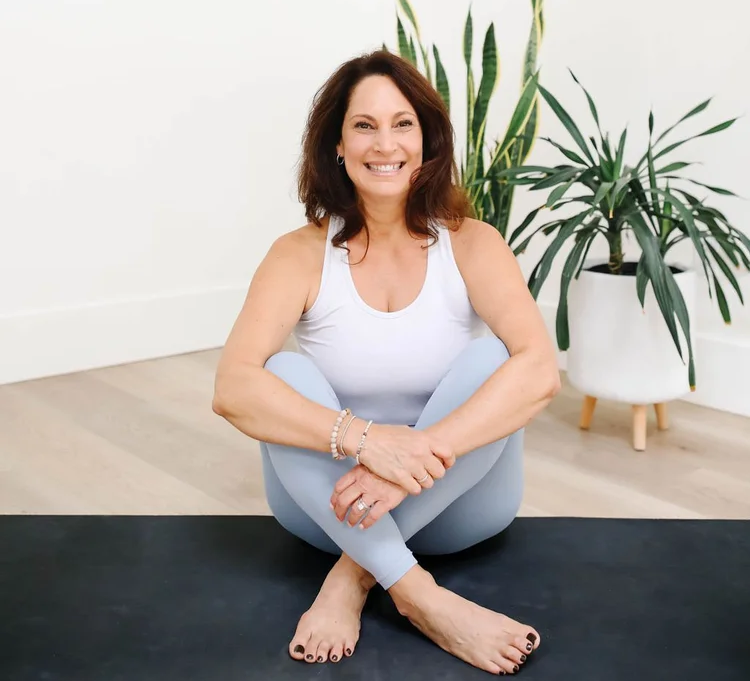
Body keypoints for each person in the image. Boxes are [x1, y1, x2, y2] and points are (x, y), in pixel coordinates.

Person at [213, 49, 561, 675]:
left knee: (493, 362)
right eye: (364, 125)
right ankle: (420, 596)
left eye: (403, 124)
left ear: (426, 141)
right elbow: (233, 388)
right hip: (330, 506)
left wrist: (408, 464)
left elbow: (540, 372)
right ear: (337, 145)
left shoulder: (474, 244)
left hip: (462, 509)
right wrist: (367, 443)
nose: (385, 143)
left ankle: (353, 577)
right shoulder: (296, 255)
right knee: (281, 376)